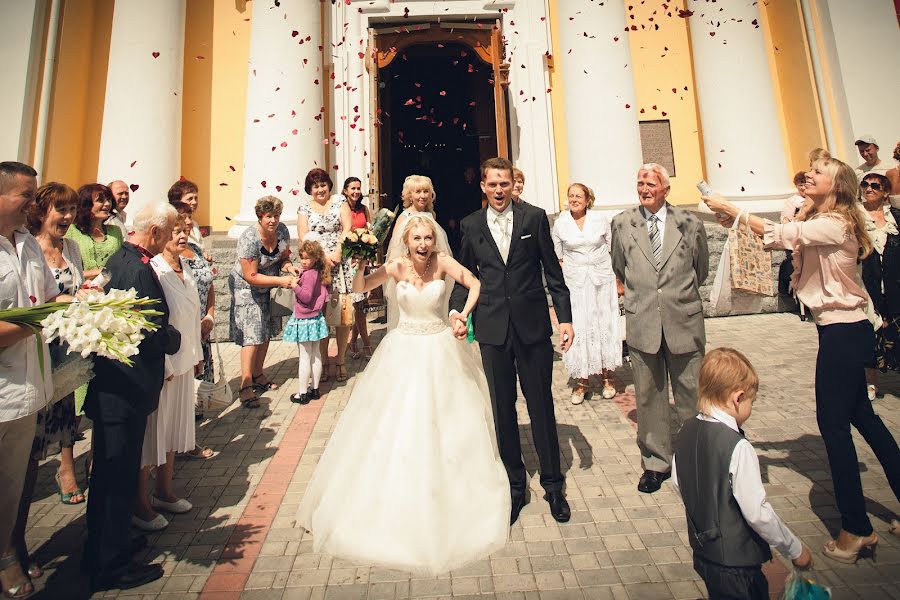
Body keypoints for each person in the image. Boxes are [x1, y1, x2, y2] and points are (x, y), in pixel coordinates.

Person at [703, 157, 900, 563]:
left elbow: (783, 232)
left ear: (838, 185)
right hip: (841, 331)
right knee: (864, 419)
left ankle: (856, 529)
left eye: (819, 171)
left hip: (844, 334)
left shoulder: (838, 222)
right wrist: (734, 221)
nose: (809, 174)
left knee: (833, 427)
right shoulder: (819, 217)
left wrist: (732, 208)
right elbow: (777, 237)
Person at [297, 213, 510, 574]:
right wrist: (361, 257)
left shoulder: (443, 263)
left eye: (428, 238)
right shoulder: (395, 266)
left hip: (441, 345)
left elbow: (474, 283)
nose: (424, 245)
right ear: (407, 241)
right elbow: (362, 287)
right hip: (404, 348)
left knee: (450, 423)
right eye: (417, 239)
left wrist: (462, 314)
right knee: (398, 422)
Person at [450, 157, 575, 525]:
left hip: (533, 328)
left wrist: (564, 318)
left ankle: (554, 485)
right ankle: (514, 487)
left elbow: (552, 272)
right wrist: (459, 314)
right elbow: (464, 274)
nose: (499, 190)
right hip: (492, 330)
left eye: (504, 184)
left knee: (541, 407)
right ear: (483, 187)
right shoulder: (472, 225)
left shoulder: (534, 218)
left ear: (512, 185)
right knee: (503, 412)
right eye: (493, 184)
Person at [82, 203, 181, 592]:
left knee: (110, 473)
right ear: (155, 231)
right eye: (169, 230)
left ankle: (108, 542)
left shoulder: (118, 257)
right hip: (125, 388)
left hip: (114, 387)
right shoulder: (138, 268)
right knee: (117, 475)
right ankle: (111, 563)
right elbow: (147, 331)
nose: (172, 237)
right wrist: (176, 338)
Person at [672, 348, 812, 600]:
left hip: (703, 552)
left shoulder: (685, 430)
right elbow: (758, 514)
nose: (751, 408)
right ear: (737, 398)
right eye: (751, 402)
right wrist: (794, 548)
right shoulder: (738, 446)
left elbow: (678, 482)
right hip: (737, 563)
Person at [610, 163, 709, 494]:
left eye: (651, 183)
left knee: (691, 394)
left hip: (683, 320)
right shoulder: (623, 224)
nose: (644, 188)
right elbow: (618, 266)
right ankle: (656, 462)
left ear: (666, 189)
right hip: (643, 323)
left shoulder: (690, 223)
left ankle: (696, 458)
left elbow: (701, 268)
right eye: (640, 183)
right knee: (649, 396)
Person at [0, 162, 56, 599]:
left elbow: (49, 298)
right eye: (26, 196)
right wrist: (37, 322)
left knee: (16, 481)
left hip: (27, 388)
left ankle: (12, 547)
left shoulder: (30, 246)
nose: (34, 204)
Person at [132, 215, 203, 532]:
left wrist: (198, 353)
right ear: (160, 234)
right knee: (152, 434)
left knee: (174, 429)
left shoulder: (184, 267)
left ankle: (164, 490)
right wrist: (164, 363)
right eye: (175, 231)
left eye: (185, 230)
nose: (182, 235)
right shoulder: (154, 271)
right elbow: (154, 321)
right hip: (165, 365)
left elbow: (191, 313)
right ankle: (140, 503)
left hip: (186, 360)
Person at [552, 183, 621, 404]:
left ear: (587, 199)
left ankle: (607, 377)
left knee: (603, 324)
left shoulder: (601, 220)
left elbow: (612, 248)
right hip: (576, 284)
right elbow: (558, 255)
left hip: (602, 280)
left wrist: (617, 279)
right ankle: (582, 381)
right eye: (571, 195)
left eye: (578, 196)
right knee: (579, 327)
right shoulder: (560, 223)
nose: (574, 199)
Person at [230, 196, 298, 407]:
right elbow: (250, 275)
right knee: (252, 334)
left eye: (276, 216)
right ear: (260, 217)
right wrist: (280, 280)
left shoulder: (283, 231)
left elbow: (284, 257)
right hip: (246, 288)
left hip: (269, 285)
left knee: (266, 329)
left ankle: (259, 375)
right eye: (269, 216)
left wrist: (289, 267)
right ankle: (245, 385)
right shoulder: (249, 238)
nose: (273, 220)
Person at [65, 183, 123, 419]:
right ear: (86, 204)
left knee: (107, 372)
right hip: (83, 307)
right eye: (100, 200)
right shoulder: (72, 234)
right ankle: (69, 448)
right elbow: (68, 268)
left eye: (108, 199)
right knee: (78, 373)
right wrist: (96, 272)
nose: (107, 204)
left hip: (112, 306)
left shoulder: (116, 232)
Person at [297, 169, 352, 382]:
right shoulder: (304, 208)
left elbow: (347, 228)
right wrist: (321, 259)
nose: (320, 189)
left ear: (329, 185)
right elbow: (303, 237)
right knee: (318, 314)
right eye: (315, 186)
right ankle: (323, 360)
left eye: (323, 185)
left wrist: (337, 252)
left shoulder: (340, 202)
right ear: (310, 189)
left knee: (341, 314)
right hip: (317, 268)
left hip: (339, 264)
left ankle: (340, 360)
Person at [172, 203, 215, 457]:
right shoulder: (164, 260)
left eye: (188, 223)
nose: (187, 227)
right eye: (181, 224)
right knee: (182, 390)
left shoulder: (196, 250)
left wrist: (210, 314)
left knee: (195, 388)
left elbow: (209, 283)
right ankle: (178, 444)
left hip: (202, 328)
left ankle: (187, 441)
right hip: (183, 331)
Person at [859, 174, 898, 386]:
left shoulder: (896, 218)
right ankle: (871, 384)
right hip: (866, 283)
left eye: (875, 185)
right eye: (865, 184)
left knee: (895, 333)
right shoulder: (855, 217)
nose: (869, 188)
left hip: (895, 285)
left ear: (885, 192)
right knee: (871, 334)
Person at [284, 237, 331, 404]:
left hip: (305, 319)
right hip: (316, 319)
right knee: (315, 354)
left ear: (315, 258)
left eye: (307, 258)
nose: (303, 261)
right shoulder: (318, 272)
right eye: (302, 257)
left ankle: (303, 393)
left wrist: (295, 286)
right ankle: (315, 389)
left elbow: (306, 296)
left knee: (304, 356)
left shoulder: (310, 275)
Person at [342, 177, 373, 360]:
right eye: (352, 188)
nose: (356, 191)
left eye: (358, 188)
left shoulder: (364, 209)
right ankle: (367, 344)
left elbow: (371, 233)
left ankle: (353, 341)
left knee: (360, 304)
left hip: (361, 261)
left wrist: (368, 254)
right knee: (358, 304)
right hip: (347, 262)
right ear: (345, 190)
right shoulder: (341, 210)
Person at [167, 178, 210, 261]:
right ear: (177, 202)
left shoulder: (194, 224)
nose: (194, 202)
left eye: (196, 198)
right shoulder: (171, 226)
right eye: (190, 199)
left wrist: (205, 257)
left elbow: (200, 250)